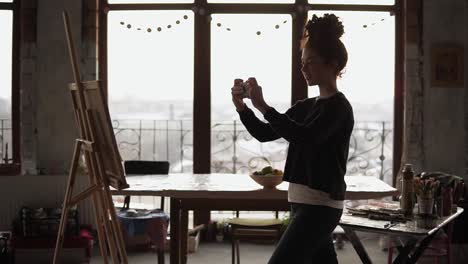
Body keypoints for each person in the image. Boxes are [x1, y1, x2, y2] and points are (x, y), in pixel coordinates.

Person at [231, 13, 354, 263]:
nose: (304, 68)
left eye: (310, 62)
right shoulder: (305, 106)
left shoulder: (339, 108)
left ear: (332, 64)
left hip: (320, 207)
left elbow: (305, 137)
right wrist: (243, 108)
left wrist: (263, 106)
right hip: (301, 203)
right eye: (302, 63)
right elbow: (266, 134)